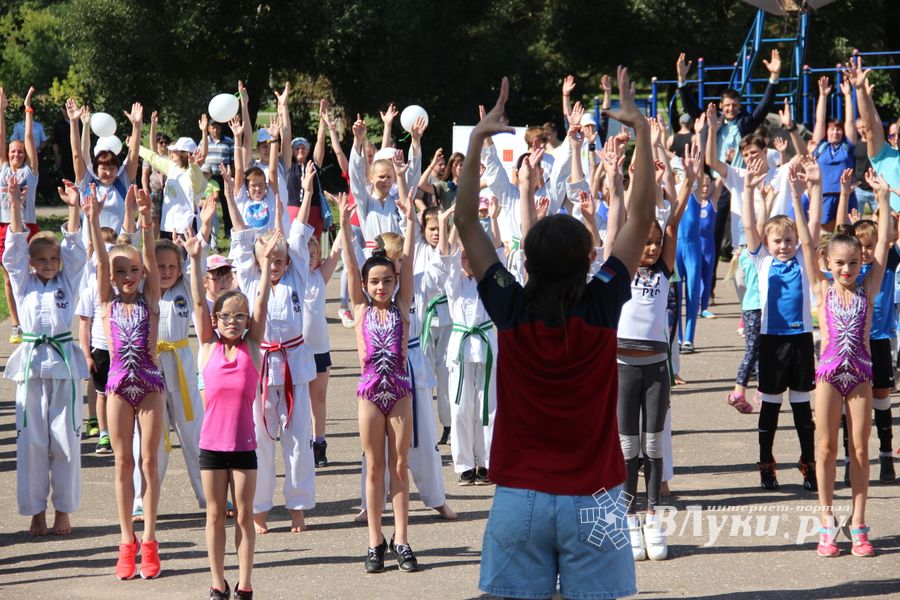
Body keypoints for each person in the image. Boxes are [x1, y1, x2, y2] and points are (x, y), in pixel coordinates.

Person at [460, 69, 648, 600]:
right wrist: (645, 136)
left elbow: (468, 225)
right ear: (589, 260)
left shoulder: (511, 307)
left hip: (521, 496)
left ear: (529, 261)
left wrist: (478, 142)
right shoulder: (603, 303)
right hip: (597, 495)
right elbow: (639, 219)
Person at [225, 133, 316, 535]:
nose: (276, 263)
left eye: (280, 259)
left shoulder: (295, 270)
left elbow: (295, 230)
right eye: (269, 258)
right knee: (259, 439)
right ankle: (259, 509)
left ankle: (297, 507)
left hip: (294, 361)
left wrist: (307, 193)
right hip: (261, 362)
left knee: (298, 438)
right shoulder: (249, 278)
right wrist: (231, 197)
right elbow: (242, 236)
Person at [798, 165, 890, 557]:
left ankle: (859, 523)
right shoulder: (821, 286)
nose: (847, 270)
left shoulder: (870, 285)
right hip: (828, 376)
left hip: (862, 376)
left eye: (853, 264)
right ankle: (825, 522)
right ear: (828, 263)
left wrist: (883, 200)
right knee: (824, 448)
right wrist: (807, 193)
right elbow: (805, 243)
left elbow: (883, 248)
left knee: (860, 450)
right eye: (840, 264)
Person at [617, 142, 701, 562]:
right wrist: (628, 175)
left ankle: (652, 517)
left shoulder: (664, 267)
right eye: (644, 242)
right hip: (622, 368)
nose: (649, 248)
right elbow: (626, 216)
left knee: (654, 445)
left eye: (653, 243)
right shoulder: (621, 266)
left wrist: (689, 176)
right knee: (627, 446)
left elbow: (674, 223)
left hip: (655, 367)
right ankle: (630, 518)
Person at [187, 227, 277, 600]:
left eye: (239, 316)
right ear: (215, 319)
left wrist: (268, 261)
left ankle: (244, 583)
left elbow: (261, 304)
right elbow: (196, 304)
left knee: (244, 516)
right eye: (225, 315)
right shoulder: (207, 347)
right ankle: (216, 582)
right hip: (211, 446)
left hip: (243, 446)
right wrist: (194, 260)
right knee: (213, 515)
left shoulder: (252, 347)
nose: (232, 321)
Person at [336, 187, 420, 573]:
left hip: (400, 391)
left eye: (387, 281)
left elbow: (412, 258)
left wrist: (412, 222)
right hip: (370, 393)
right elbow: (352, 267)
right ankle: (375, 541)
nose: (381, 288)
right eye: (375, 283)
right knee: (374, 467)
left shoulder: (403, 305)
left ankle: (401, 538)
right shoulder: (359, 307)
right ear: (366, 287)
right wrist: (342, 220)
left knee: (400, 467)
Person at [88, 181, 166, 580]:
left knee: (149, 462)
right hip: (118, 383)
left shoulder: (151, 300)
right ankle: (125, 539)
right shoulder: (107, 301)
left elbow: (150, 256)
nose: (128, 276)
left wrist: (147, 219)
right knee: (123, 463)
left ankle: (150, 538)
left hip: (150, 383)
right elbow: (102, 261)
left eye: (134, 270)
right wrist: (93, 218)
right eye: (122, 271)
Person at [5, 178, 85, 536]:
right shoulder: (23, 282)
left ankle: (63, 510)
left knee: (66, 439)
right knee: (32, 440)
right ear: (32, 262)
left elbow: (74, 251)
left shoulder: (68, 282)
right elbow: (14, 253)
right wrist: (16, 206)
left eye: (54, 259)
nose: (50, 264)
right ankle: (35, 510)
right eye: (42, 259)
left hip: (65, 366)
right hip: (33, 366)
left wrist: (73, 208)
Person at [741, 157, 817, 492]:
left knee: (803, 412)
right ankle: (766, 466)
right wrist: (747, 188)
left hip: (800, 340)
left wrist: (805, 193)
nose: (784, 246)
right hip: (772, 342)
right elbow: (749, 228)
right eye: (778, 241)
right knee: (770, 409)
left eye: (788, 240)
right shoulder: (762, 259)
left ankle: (809, 465)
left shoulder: (802, 257)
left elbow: (810, 231)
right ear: (767, 245)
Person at [833, 169, 899, 484]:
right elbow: (836, 239)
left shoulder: (883, 268)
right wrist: (844, 193)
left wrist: (882, 197)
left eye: (872, 246)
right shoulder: (851, 272)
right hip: (852, 347)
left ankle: (886, 453)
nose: (868, 251)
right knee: (849, 406)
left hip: (880, 339)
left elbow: (887, 237)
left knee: (882, 398)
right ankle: (849, 458)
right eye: (863, 247)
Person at [300, 167, 341, 467]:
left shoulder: (319, 277)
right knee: (299, 403)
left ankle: (319, 443)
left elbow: (337, 251)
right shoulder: (293, 278)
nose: (310, 257)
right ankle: (301, 441)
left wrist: (342, 217)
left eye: (313, 253)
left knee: (319, 399)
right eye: (304, 253)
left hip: (319, 350)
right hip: (296, 350)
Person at [1, 87, 41, 345]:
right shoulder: (3, 171)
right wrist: (1, 111)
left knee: (33, 273)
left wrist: (28, 108)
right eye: (12, 152)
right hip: (4, 227)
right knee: (8, 276)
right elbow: (2, 136)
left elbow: (28, 136)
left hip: (28, 227)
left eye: (20, 152)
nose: (16, 154)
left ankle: (32, 320)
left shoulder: (30, 173)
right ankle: (16, 324)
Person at [810, 76, 858, 230]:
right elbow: (819, 121)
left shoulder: (846, 146)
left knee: (847, 231)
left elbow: (850, 121)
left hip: (846, 194)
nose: (835, 132)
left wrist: (848, 95)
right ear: (827, 131)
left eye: (838, 129)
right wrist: (823, 95)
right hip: (824, 195)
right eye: (832, 129)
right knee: (823, 231)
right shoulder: (821, 146)